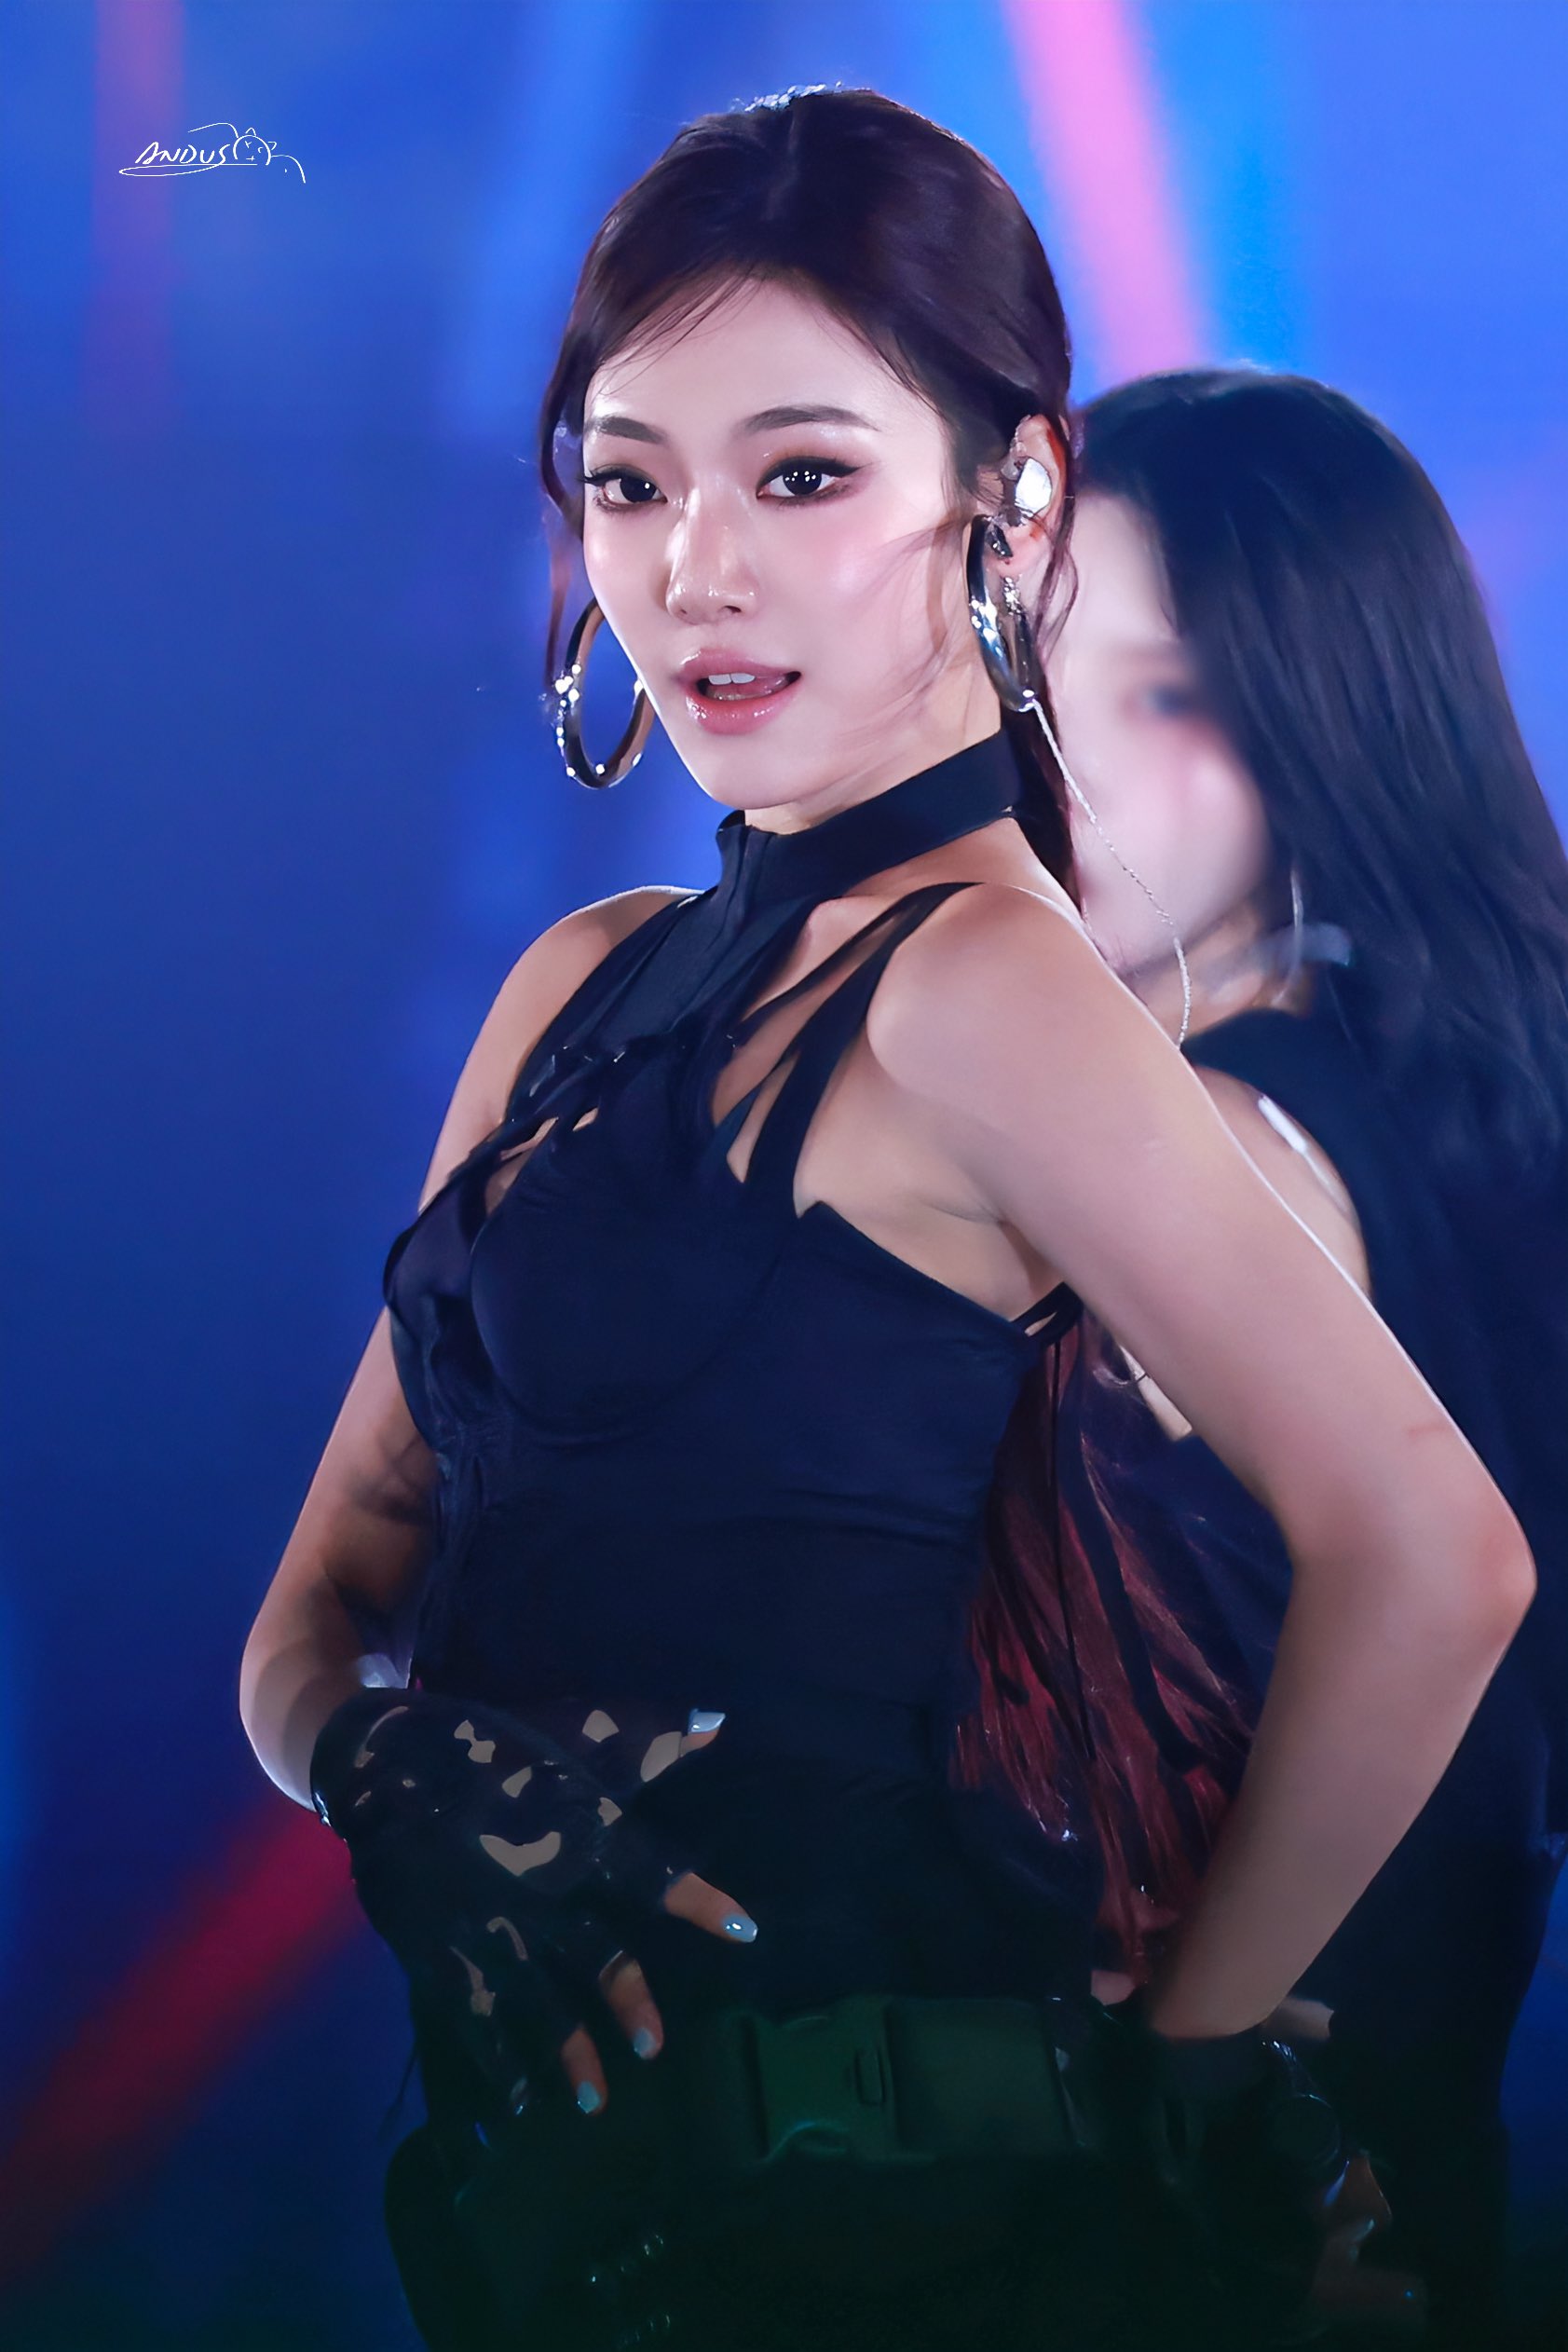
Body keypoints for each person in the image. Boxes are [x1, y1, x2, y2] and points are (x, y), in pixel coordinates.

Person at [239, 98, 1533, 2351]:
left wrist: (1188, 2064)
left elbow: (1432, 1552)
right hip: (555, 2234)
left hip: (916, 2241)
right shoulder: (577, 984)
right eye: (628, 481)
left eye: (802, 475)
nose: (693, 570)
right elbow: (323, 1589)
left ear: (1008, 496)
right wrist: (367, 1753)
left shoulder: (981, 990)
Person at [1046, 365, 1568, 2344]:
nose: (1060, 765)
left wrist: (1191, 2049)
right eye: (1026, 676)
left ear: (1321, 711)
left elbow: (1446, 1606)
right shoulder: (1477, 1103)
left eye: (1160, 694)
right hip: (1404, 2164)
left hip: (1214, 2209)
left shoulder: (1208, 1151)